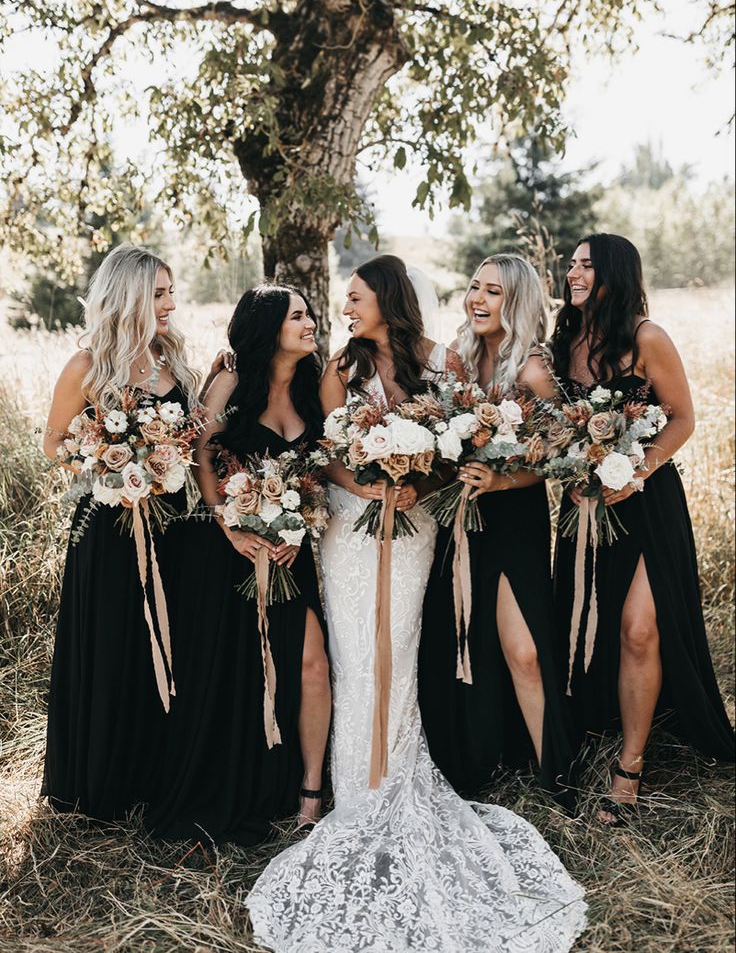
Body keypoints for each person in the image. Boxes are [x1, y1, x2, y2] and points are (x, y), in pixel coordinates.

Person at [247, 255, 587, 953]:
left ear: (388, 301)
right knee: (353, 656)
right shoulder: (341, 367)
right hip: (349, 524)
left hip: (416, 527)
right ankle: (353, 791)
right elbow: (326, 448)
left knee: (397, 649)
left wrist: (415, 488)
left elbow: (455, 444)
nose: (346, 308)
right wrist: (368, 487)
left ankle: (398, 775)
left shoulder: (443, 362)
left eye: (356, 297)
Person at [552, 233, 735, 826]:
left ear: (614, 275)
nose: (573, 273)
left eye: (586, 266)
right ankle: (593, 730)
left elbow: (683, 417)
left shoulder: (646, 338)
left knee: (638, 630)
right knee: (590, 625)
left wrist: (636, 469)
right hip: (585, 505)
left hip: (646, 502)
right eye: (571, 265)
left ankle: (629, 769)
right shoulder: (564, 341)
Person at [146, 284, 331, 844]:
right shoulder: (231, 378)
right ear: (268, 324)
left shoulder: (313, 384)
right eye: (297, 315)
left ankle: (311, 792)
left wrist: (301, 522)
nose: (310, 322)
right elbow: (200, 451)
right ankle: (242, 781)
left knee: (312, 664)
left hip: (288, 549)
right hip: (230, 549)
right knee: (237, 669)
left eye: (309, 314)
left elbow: (320, 466)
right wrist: (226, 520)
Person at [42, 244, 202, 821]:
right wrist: (105, 463)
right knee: (116, 643)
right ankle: (102, 783)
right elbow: (53, 442)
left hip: (174, 527)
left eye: (170, 291)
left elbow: (197, 436)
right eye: (158, 293)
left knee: (171, 638)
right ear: (128, 295)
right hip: (108, 530)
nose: (170, 303)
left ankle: (157, 773)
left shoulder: (173, 362)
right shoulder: (87, 367)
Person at [419, 254, 579, 809]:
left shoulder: (532, 368)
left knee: (524, 650)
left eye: (494, 292)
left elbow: (566, 454)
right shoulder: (456, 362)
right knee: (469, 643)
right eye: (474, 288)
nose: (478, 300)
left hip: (514, 521)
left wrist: (503, 480)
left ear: (518, 302)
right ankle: (481, 757)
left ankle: (556, 776)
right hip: (462, 518)